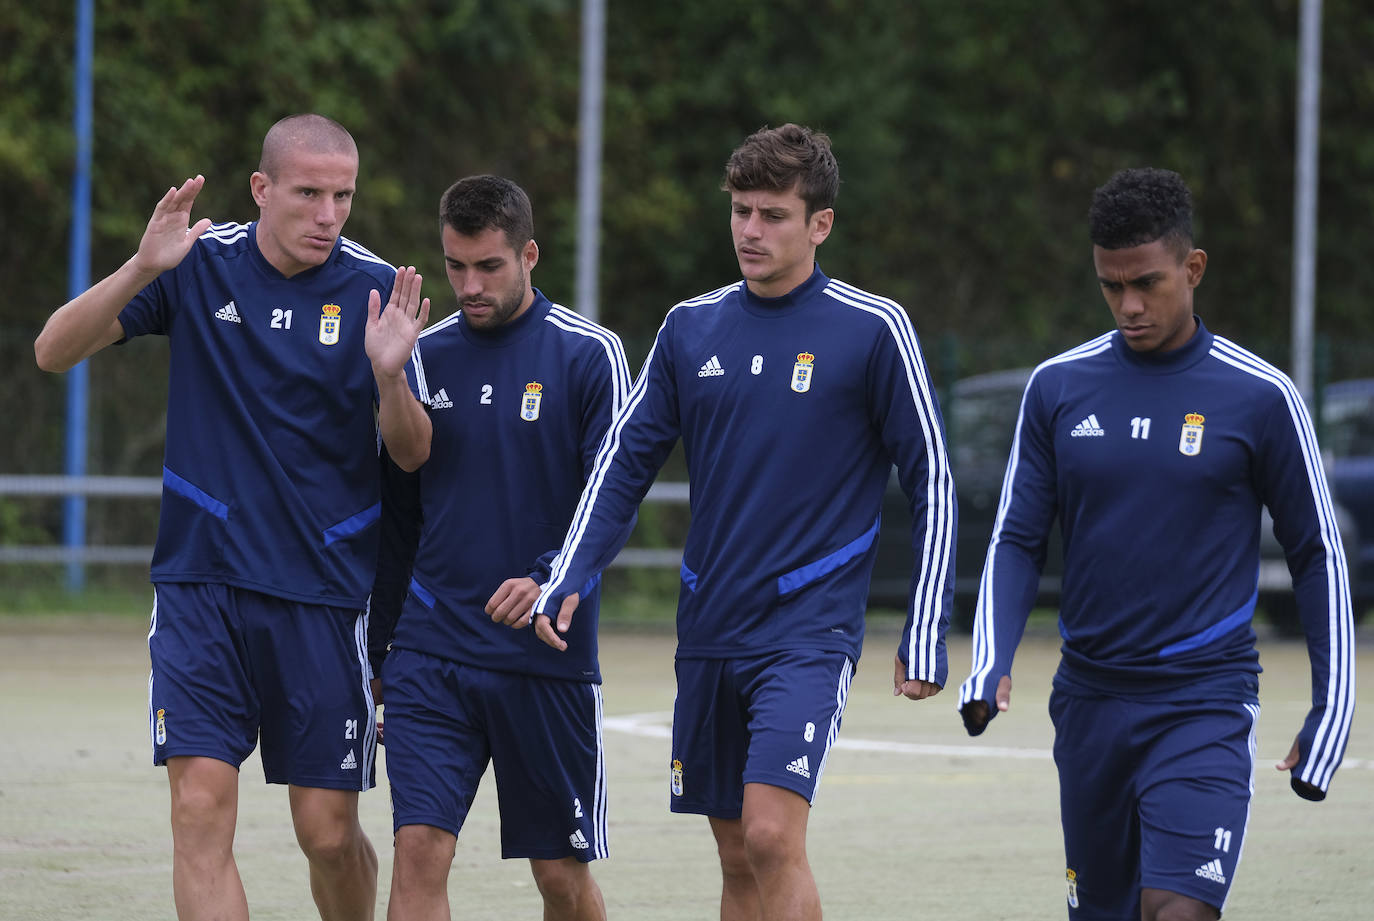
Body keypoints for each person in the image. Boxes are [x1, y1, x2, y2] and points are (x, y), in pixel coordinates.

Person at [528, 123, 957, 921]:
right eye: (740, 211)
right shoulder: (691, 327)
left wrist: (925, 623)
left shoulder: (872, 329)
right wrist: (571, 572)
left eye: (772, 215)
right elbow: (623, 463)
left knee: (769, 834)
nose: (750, 231)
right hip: (711, 622)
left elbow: (931, 476)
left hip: (808, 628)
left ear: (819, 223)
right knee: (734, 856)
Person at [34, 113, 432, 921]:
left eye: (343, 196)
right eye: (309, 193)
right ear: (262, 189)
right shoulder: (194, 266)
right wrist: (141, 265)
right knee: (199, 811)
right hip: (200, 585)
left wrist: (392, 378)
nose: (329, 214)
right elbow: (52, 349)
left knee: (326, 832)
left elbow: (414, 453)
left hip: (322, 594)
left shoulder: (374, 289)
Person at [957, 167, 1356, 921]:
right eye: (1111, 286)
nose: (1129, 305)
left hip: (1204, 700)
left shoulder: (1261, 397)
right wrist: (992, 661)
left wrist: (1330, 703)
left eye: (1147, 282)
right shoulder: (1056, 388)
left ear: (1193, 268)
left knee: (1178, 908)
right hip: (1090, 702)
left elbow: (1317, 554)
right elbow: (1016, 536)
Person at [367, 175, 631, 921]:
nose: (469, 285)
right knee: (419, 848)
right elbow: (399, 513)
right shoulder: (420, 354)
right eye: (455, 266)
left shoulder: (591, 355)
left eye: (488, 266)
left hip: (544, 657)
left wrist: (551, 579)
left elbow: (612, 498)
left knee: (559, 876)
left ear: (529, 255)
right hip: (431, 651)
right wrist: (381, 644)